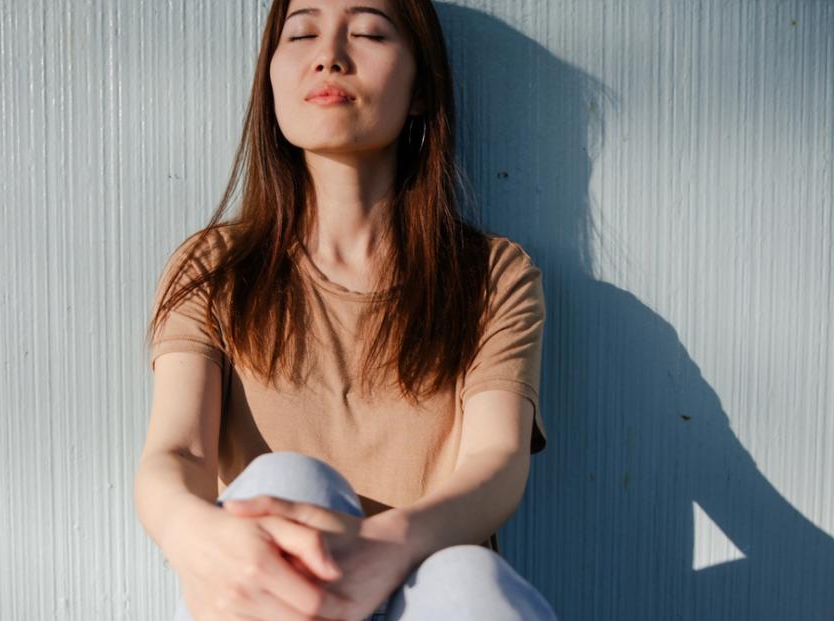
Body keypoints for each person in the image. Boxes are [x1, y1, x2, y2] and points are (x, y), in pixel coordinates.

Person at [134, 1, 558, 619]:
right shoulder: (216, 267)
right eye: (301, 32)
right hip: (279, 593)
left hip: (426, 589)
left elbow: (496, 464)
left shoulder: (490, 275)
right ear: (271, 80)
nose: (328, 55)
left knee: (469, 576)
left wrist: (380, 547)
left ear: (420, 90)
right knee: (288, 488)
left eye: (368, 32)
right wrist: (194, 537)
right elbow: (178, 453)